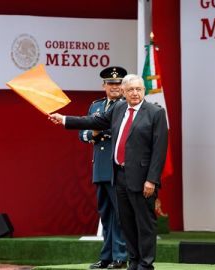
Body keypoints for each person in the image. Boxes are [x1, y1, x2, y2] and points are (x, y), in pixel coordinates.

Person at [50, 74, 168, 270]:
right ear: (124, 92)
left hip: (142, 179)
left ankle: (146, 265)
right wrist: (64, 120)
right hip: (119, 176)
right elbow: (95, 121)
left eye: (138, 89)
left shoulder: (155, 113)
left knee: (144, 225)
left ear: (144, 91)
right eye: (130, 90)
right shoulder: (119, 108)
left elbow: (159, 150)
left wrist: (152, 180)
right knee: (126, 224)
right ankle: (134, 262)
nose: (135, 93)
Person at [81, 67, 128, 269]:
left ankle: (120, 256)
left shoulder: (128, 106)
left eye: (118, 84)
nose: (114, 87)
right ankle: (107, 256)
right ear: (104, 86)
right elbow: (82, 132)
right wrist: (93, 134)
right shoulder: (96, 106)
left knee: (120, 215)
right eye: (111, 84)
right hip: (100, 168)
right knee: (106, 215)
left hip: (118, 169)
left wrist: (100, 131)